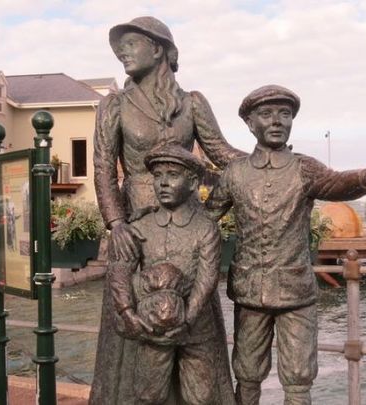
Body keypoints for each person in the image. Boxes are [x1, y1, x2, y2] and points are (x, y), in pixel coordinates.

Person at [205, 84, 366, 405]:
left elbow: (337, 183)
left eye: (285, 114)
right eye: (267, 114)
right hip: (248, 292)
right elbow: (204, 221)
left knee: (299, 379)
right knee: (246, 373)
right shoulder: (235, 173)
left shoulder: (304, 168)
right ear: (249, 123)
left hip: (296, 292)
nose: (276, 121)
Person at [90, 16, 242, 404]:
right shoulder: (114, 105)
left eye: (131, 43)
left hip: (187, 227)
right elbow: (104, 169)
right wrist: (116, 223)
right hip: (136, 230)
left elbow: (222, 154)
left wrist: (268, 160)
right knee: (135, 330)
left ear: (158, 48)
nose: (122, 51)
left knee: (194, 319)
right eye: (118, 46)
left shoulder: (192, 103)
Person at [106, 144, 233, 404]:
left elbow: (207, 278)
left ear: (192, 182)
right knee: (148, 395)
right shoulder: (140, 226)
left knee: (201, 397)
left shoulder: (205, 229)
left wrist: (188, 319)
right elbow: (120, 270)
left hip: (196, 326)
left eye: (172, 175)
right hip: (152, 326)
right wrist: (127, 311)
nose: (163, 183)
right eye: (157, 176)